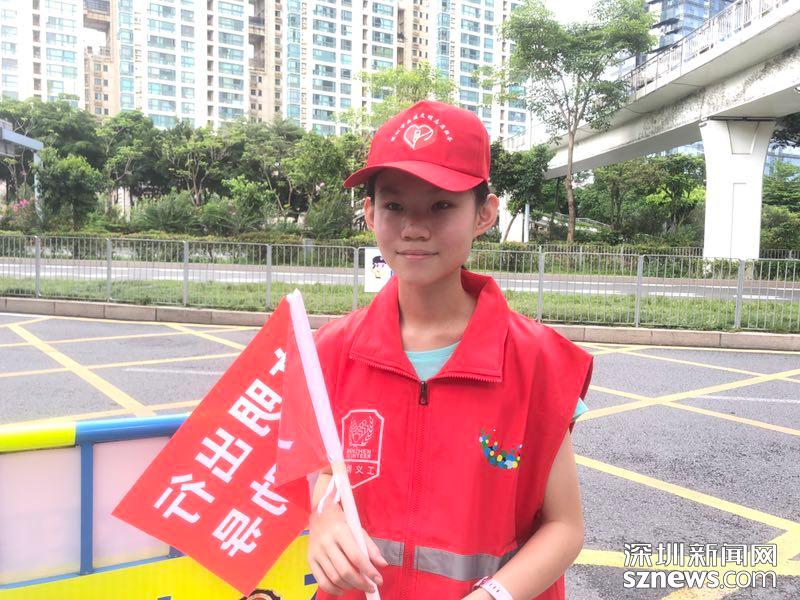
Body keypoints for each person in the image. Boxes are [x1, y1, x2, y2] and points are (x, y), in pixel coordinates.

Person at [307, 100, 593, 600]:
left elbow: (564, 528)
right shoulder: (329, 352)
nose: (414, 228)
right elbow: (328, 471)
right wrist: (323, 516)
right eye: (394, 206)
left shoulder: (538, 361)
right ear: (369, 212)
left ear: (485, 213)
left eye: (441, 205)